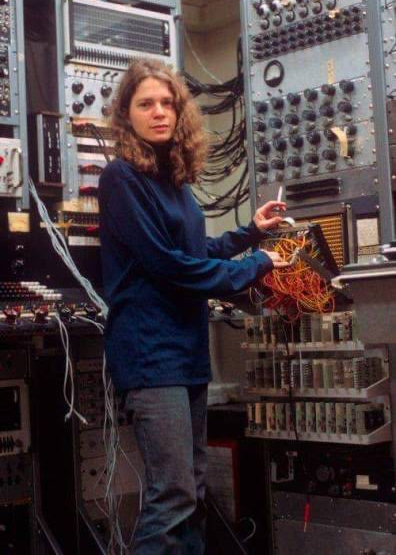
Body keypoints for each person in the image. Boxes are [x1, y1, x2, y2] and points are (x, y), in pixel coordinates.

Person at [98, 58, 288, 554]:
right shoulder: (121, 179)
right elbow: (169, 266)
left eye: (167, 103)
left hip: (186, 352)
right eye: (146, 104)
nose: (159, 112)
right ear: (127, 114)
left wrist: (251, 233)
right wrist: (256, 266)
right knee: (173, 493)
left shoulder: (173, 181)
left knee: (194, 489)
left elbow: (193, 252)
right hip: (150, 355)